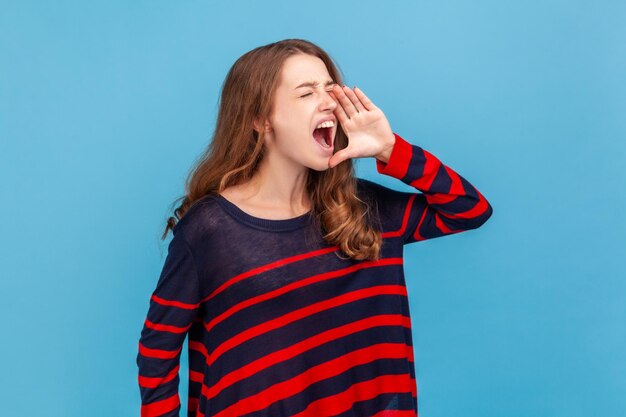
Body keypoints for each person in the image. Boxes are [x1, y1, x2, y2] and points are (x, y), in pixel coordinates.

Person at [136, 38, 493, 417]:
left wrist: (390, 148)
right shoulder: (210, 230)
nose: (328, 102)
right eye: (306, 93)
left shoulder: (364, 207)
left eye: (330, 88)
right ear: (260, 120)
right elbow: (157, 349)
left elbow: (469, 210)